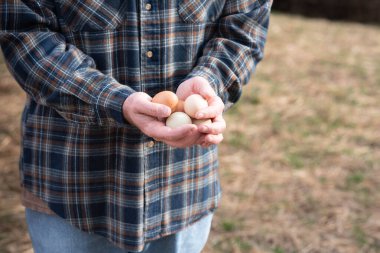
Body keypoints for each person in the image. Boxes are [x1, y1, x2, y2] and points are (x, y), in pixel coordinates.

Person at [0, 0, 272, 252]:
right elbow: (24, 32)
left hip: (182, 183)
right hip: (73, 185)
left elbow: (243, 28)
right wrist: (113, 100)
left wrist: (210, 83)